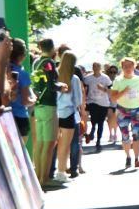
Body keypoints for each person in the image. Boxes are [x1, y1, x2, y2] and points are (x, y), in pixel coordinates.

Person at [30, 38, 61, 187]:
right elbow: (50, 84)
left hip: (38, 105)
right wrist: (61, 86)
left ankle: (37, 176)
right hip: (49, 104)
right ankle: (44, 179)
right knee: (49, 144)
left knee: (40, 143)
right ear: (52, 48)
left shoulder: (36, 62)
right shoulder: (49, 62)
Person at [110, 57, 139, 169]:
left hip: (137, 110)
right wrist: (124, 92)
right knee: (125, 136)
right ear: (122, 67)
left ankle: (137, 159)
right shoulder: (118, 80)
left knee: (136, 134)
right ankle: (128, 157)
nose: (128, 68)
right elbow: (113, 98)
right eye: (125, 66)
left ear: (134, 66)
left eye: (130, 66)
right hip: (123, 110)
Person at [55, 52, 81, 181]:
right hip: (69, 113)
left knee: (53, 144)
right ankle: (61, 172)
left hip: (54, 113)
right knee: (65, 145)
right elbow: (78, 100)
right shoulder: (74, 78)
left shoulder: (54, 74)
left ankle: (50, 171)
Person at [7, 39, 35, 142]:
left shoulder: (3, 70)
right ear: (22, 56)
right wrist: (34, 99)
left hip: (4, 118)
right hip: (20, 118)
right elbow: (26, 101)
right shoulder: (22, 74)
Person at [83, 62, 112, 152]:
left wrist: (103, 88)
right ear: (92, 68)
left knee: (101, 122)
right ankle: (92, 129)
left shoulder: (105, 78)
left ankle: (98, 140)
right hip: (92, 101)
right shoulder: (88, 78)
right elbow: (83, 88)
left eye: (97, 66)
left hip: (103, 103)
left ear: (100, 68)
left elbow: (110, 89)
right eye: (94, 66)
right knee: (93, 118)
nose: (95, 68)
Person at [105, 64, 120, 144]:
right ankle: (110, 134)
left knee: (115, 119)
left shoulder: (119, 80)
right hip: (108, 102)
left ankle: (115, 134)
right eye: (111, 72)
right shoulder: (106, 80)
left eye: (114, 72)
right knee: (109, 119)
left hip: (117, 102)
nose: (113, 74)